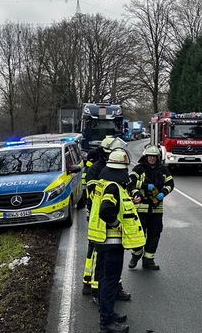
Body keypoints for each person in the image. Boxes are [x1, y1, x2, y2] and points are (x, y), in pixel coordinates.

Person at [88, 148, 145, 333]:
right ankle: (106, 323)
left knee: (106, 279)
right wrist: (116, 224)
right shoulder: (112, 186)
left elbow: (110, 204)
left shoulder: (104, 183)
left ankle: (109, 314)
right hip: (110, 242)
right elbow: (106, 209)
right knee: (110, 281)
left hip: (102, 241)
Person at [83, 138, 131, 301]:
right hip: (100, 222)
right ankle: (94, 288)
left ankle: (112, 288)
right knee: (98, 256)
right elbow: (93, 196)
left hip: (111, 220)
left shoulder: (113, 169)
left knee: (112, 260)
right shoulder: (97, 170)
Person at [127, 145, 174, 270]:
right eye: (150, 156)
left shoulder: (163, 170)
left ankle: (148, 260)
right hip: (141, 208)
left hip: (156, 209)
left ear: (158, 157)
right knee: (138, 235)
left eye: (154, 157)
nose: (152, 159)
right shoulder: (138, 169)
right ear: (146, 156)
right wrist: (144, 186)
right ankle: (136, 255)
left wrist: (163, 193)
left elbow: (170, 183)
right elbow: (130, 182)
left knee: (154, 235)